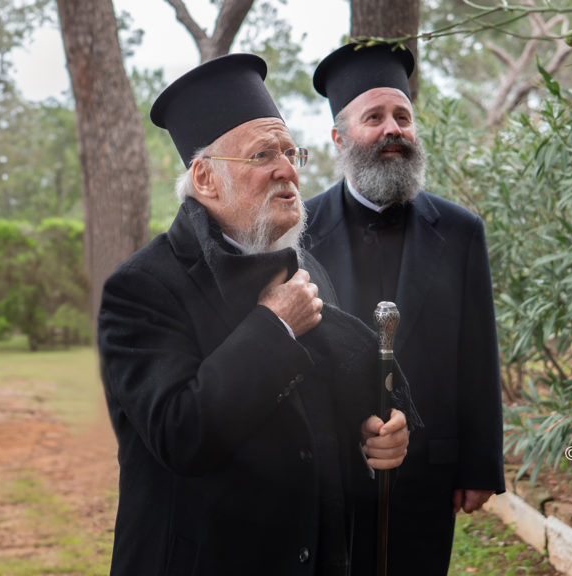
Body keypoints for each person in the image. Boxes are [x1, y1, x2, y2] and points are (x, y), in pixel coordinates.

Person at [97, 53, 421, 576]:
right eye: (264, 154)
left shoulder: (304, 266)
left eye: (292, 152)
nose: (289, 170)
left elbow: (326, 422)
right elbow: (180, 433)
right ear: (205, 178)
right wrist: (274, 328)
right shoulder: (141, 288)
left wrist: (381, 438)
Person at [305, 43, 505, 575]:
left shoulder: (461, 231)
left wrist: (480, 462)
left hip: (427, 469)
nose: (393, 128)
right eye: (374, 117)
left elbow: (478, 353)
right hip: (331, 469)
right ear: (339, 138)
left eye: (403, 116)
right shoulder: (296, 231)